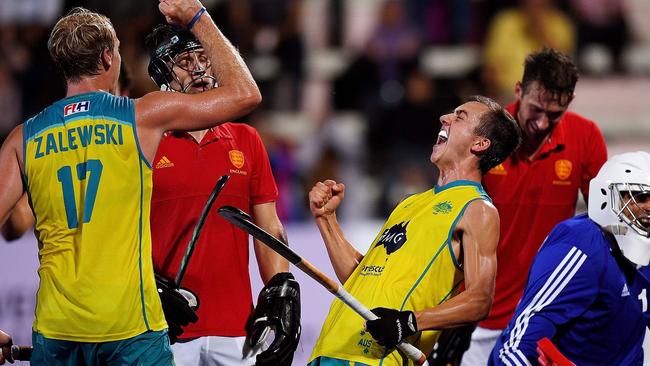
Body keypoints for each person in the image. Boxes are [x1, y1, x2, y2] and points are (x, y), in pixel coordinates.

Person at [0, 0, 261, 364]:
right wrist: (197, 18)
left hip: (57, 330)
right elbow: (246, 93)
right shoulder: (141, 116)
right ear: (108, 58)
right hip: (131, 329)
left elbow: (10, 227)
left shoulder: (21, 139)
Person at [307, 96, 522, 366]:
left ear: (480, 144)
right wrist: (326, 219)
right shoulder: (409, 203)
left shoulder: (477, 209)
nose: (445, 118)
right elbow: (360, 278)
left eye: (461, 116)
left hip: (376, 358)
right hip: (330, 347)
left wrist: (409, 322)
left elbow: (480, 300)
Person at [144, 24, 300, 365]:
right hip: (163, 330)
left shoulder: (247, 139)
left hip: (237, 333)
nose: (199, 69)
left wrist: (279, 290)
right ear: (161, 72)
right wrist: (142, 287)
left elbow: (269, 230)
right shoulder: (143, 141)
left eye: (204, 58)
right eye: (185, 60)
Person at [459, 47, 607, 366]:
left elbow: (605, 223)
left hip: (544, 316)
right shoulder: (483, 136)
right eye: (535, 109)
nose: (541, 124)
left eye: (555, 115)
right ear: (518, 91)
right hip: (481, 314)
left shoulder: (587, 137)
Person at [490, 151, 650, 365]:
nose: (648, 207)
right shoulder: (581, 244)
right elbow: (519, 341)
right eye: (640, 197)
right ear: (607, 196)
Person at [1, 62, 133, 242]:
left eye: (105, 95)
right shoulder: (56, 150)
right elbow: (17, 223)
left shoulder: (139, 145)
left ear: (124, 97)